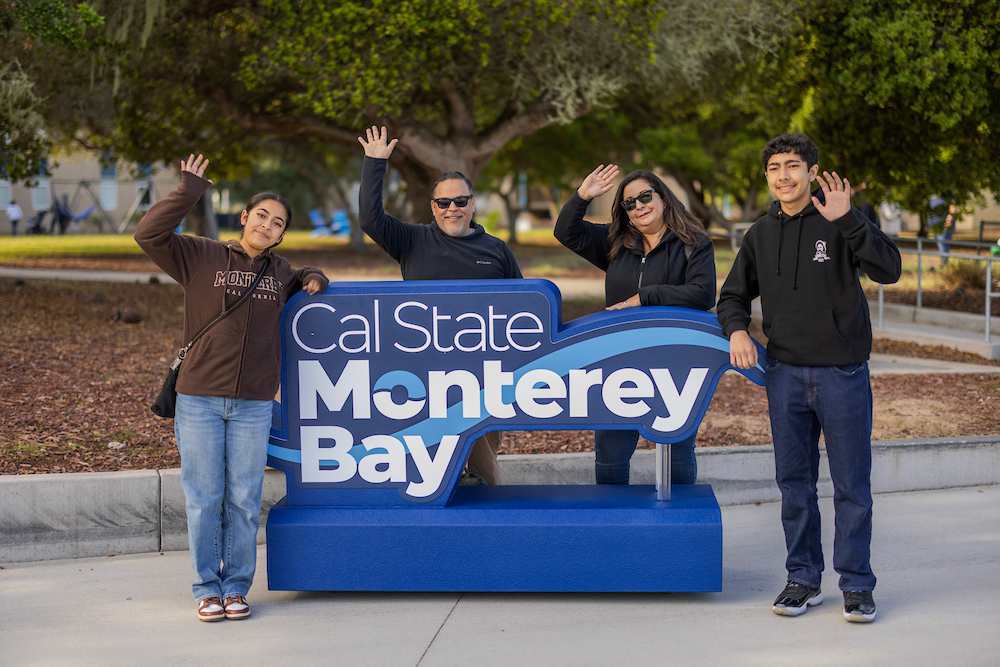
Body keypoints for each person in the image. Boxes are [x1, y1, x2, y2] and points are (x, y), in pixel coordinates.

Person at [135, 153, 329, 622]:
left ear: (282, 234)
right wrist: (188, 191)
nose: (267, 224)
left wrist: (312, 277)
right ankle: (207, 587)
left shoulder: (280, 273)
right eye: (260, 215)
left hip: (253, 404)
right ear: (244, 218)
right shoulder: (200, 255)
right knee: (204, 497)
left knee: (243, 498)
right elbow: (148, 235)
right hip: (199, 398)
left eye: (277, 222)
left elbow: (302, 277)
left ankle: (237, 587)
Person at [718, 133, 901, 624]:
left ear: (812, 172)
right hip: (784, 375)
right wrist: (738, 331)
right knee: (794, 485)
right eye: (775, 167)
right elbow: (732, 295)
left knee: (851, 486)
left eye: (793, 165)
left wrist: (850, 219)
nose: (783, 175)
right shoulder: (759, 233)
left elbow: (890, 270)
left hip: (842, 373)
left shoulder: (841, 220)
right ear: (767, 176)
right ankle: (803, 578)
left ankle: (857, 585)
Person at [358, 126, 521, 486]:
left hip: (485, 371)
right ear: (433, 207)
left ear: (473, 204)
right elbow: (370, 220)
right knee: (438, 455)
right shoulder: (411, 240)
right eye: (444, 203)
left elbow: (522, 309)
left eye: (460, 201)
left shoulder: (496, 250)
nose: (453, 209)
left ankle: (488, 512)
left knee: (481, 450)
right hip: (424, 370)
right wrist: (375, 164)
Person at [554, 165, 716, 485]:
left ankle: (679, 528)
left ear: (664, 199)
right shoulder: (615, 242)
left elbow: (702, 294)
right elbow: (566, 232)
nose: (639, 205)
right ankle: (612, 530)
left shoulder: (694, 243)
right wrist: (583, 196)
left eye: (645, 196)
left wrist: (643, 298)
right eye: (630, 203)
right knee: (611, 457)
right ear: (625, 213)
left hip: (674, 365)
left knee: (677, 452)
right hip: (619, 366)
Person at [928, 195, 952, 266]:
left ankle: (944, 264)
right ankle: (943, 263)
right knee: (939, 244)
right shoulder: (932, 196)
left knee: (942, 244)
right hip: (935, 225)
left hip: (943, 225)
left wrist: (948, 220)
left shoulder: (946, 193)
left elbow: (953, 207)